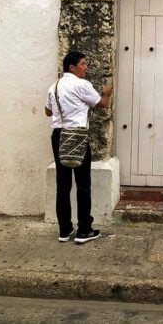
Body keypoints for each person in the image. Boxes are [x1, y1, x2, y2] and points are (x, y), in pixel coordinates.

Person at [45, 51, 112, 244]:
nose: (86, 67)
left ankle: (64, 230)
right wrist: (106, 92)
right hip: (77, 135)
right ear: (72, 67)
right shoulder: (82, 85)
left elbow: (48, 111)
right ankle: (84, 230)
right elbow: (102, 104)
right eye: (83, 64)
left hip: (58, 135)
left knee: (63, 184)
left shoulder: (54, 86)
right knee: (83, 183)